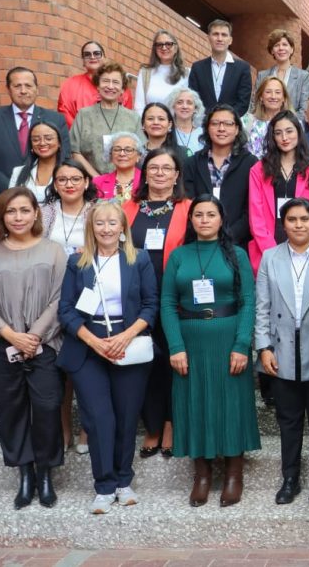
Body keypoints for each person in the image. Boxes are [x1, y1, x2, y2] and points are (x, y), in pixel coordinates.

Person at [56, 200, 158, 513]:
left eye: (113, 223)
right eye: (99, 223)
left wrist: (126, 337)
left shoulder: (139, 259)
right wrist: (93, 341)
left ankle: (124, 481)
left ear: (123, 227)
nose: (106, 229)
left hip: (128, 342)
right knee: (99, 418)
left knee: (126, 417)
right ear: (91, 227)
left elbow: (150, 305)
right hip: (88, 346)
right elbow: (66, 310)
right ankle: (104, 486)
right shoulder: (77, 262)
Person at [0, 187, 67, 509]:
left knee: (48, 408)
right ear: (2, 216)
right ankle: (25, 475)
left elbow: (59, 299)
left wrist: (33, 335)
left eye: (24, 210)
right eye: (11, 211)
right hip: (2, 344)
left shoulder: (54, 252)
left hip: (44, 344)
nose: (18, 217)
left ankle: (45, 474)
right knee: (10, 410)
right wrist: (13, 336)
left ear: (36, 213)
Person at [159, 194, 259, 507]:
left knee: (231, 403)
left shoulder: (237, 255)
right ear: (190, 220)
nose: (204, 220)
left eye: (211, 214)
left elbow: (248, 301)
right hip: (190, 341)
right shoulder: (179, 255)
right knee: (195, 401)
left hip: (229, 338)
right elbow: (167, 303)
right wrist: (176, 346)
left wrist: (242, 344)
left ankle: (233, 475)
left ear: (221, 219)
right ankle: (201, 475)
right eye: (198, 214)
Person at [255, 198, 309, 505]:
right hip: (281, 349)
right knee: (288, 420)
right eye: (292, 219)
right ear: (283, 224)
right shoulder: (270, 257)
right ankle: (290, 478)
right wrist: (263, 347)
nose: (298, 224)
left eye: (304, 219)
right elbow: (262, 307)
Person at [123, 148, 193, 461]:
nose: (160, 173)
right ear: (145, 173)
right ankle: (151, 425)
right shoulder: (128, 208)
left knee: (172, 362)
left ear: (177, 175)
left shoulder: (188, 208)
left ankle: (171, 423)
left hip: (174, 299)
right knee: (145, 363)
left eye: (167, 168)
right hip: (136, 300)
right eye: (154, 168)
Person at [0, 67, 70, 217]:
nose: (23, 91)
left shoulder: (55, 119)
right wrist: (12, 192)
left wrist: (50, 190)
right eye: (17, 86)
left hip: (50, 202)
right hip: (2, 201)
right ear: (8, 89)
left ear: (37, 89)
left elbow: (65, 157)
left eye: (28, 85)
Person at [182, 104, 259, 249]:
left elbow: (251, 209)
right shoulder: (192, 163)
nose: (221, 129)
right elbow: (188, 204)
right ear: (207, 128)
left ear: (237, 129)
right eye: (215, 123)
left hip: (237, 245)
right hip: (198, 243)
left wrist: (229, 236)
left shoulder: (250, 163)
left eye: (228, 124)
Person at [247, 111, 309, 271]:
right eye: (278, 133)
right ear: (273, 137)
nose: (284, 138)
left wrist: (303, 247)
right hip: (265, 248)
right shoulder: (258, 170)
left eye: (289, 131)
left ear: (298, 133)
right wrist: (273, 253)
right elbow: (256, 217)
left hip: (302, 247)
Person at [69, 61, 140, 178]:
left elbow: (139, 153)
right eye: (106, 81)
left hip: (125, 182)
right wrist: (98, 179)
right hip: (90, 181)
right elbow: (75, 151)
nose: (110, 86)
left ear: (122, 89)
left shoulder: (133, 118)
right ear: (98, 86)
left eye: (115, 82)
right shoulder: (84, 115)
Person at [58, 41, 134, 128]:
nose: (92, 57)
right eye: (87, 54)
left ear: (104, 57)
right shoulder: (70, 85)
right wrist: (82, 132)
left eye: (97, 53)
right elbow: (65, 113)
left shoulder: (120, 86)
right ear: (83, 61)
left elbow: (126, 117)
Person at [188, 20, 253, 117]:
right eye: (215, 34)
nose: (219, 38)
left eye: (224, 35)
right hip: (203, 122)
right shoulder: (197, 68)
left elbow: (243, 103)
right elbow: (194, 99)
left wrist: (226, 119)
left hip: (230, 123)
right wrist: (209, 119)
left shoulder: (243, 68)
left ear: (230, 40)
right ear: (208, 38)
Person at [40, 160, 97, 256]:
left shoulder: (97, 213)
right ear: (55, 185)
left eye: (76, 179)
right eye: (62, 180)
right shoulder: (43, 213)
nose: (69, 185)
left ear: (86, 182)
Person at [254, 29, 309, 119]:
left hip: (292, 124)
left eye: (285, 44)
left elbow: (304, 109)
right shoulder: (262, 76)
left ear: (291, 49)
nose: (281, 48)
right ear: (272, 51)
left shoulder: (303, 76)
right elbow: (255, 104)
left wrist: (285, 122)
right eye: (276, 45)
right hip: (265, 123)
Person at [135, 30, 190, 113]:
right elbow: (139, 106)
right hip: (151, 121)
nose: (164, 48)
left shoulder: (187, 74)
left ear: (176, 48)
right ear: (155, 49)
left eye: (168, 44)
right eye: (159, 45)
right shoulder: (145, 73)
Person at [9, 120, 64, 201]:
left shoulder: (71, 171)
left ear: (59, 143)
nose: (42, 143)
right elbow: (11, 201)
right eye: (35, 140)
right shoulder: (18, 172)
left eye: (48, 138)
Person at [242, 75, 288, 158]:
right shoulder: (247, 121)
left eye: (278, 92)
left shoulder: (293, 123)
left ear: (284, 98)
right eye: (268, 92)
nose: (273, 96)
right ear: (261, 97)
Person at [92, 133, 143, 201]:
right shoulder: (97, 182)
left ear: (138, 156)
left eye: (128, 150)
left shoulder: (147, 180)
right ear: (111, 155)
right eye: (117, 149)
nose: (122, 154)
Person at [167, 87, 206, 157]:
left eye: (189, 103)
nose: (184, 106)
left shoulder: (204, 133)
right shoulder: (167, 132)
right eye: (179, 102)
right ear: (173, 107)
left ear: (195, 108)